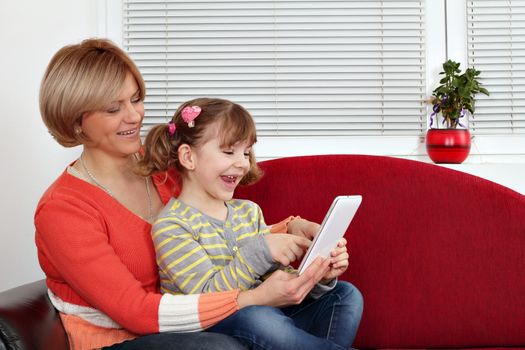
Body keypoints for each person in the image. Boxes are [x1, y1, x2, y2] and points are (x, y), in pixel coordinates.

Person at [35, 38, 346, 350]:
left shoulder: (160, 165)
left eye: (136, 99)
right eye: (114, 108)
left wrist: (293, 231)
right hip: (123, 339)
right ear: (76, 122)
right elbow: (134, 312)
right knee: (221, 345)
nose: (134, 116)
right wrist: (250, 298)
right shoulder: (62, 210)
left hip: (193, 324)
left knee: (341, 296)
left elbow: (215, 229)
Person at [138, 97, 364, 349]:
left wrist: (318, 274)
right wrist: (261, 251)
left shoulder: (248, 212)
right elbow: (206, 295)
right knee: (258, 318)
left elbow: (275, 283)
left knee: (345, 295)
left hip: (270, 317)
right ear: (188, 157)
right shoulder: (172, 225)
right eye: (228, 151)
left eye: (246, 152)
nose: (243, 162)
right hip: (218, 326)